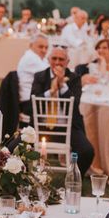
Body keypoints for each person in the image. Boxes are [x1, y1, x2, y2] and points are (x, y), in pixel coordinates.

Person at [28, 46, 95, 176]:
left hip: (68, 127)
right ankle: (22, 176)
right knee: (13, 148)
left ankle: (74, 177)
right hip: (41, 126)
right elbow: (32, 103)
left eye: (61, 59)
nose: (58, 62)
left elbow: (75, 103)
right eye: (54, 58)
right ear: (48, 60)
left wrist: (62, 85)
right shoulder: (40, 76)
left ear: (67, 62)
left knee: (87, 151)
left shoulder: (74, 78)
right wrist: (51, 92)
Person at [17, 33, 49, 105]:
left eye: (46, 47)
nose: (44, 50)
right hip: (29, 102)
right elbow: (51, 74)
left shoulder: (40, 58)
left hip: (36, 99)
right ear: (31, 45)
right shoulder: (30, 58)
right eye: (41, 47)